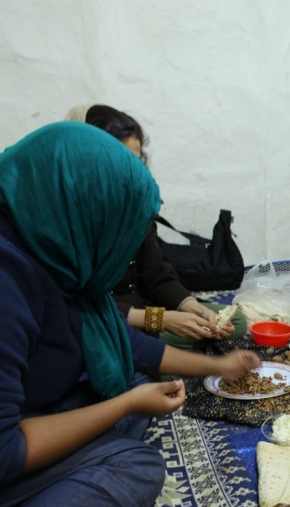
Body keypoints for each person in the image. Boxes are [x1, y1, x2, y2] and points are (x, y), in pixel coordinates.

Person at [0, 122, 260, 507]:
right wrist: (124, 401)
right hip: (11, 445)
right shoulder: (12, 280)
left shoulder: (56, 248)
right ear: (86, 200)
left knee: (132, 389)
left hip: (46, 398)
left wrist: (220, 365)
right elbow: (6, 449)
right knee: (135, 464)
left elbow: (131, 337)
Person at [65, 103, 246, 348]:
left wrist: (192, 308)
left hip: (143, 305)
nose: (131, 172)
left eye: (137, 162)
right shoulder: (67, 215)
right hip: (101, 321)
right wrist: (160, 320)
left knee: (232, 320)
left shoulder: (135, 205)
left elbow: (156, 275)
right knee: (148, 352)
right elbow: (77, 305)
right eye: (119, 161)